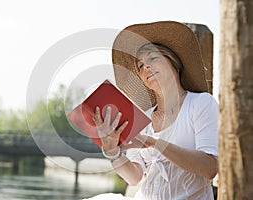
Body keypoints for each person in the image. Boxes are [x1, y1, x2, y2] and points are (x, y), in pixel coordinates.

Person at [85, 21, 218, 200]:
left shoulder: (201, 103)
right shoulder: (144, 117)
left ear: (174, 64)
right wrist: (112, 151)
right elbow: (134, 177)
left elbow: (209, 168)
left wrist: (155, 143)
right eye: (140, 66)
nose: (145, 66)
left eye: (153, 58)